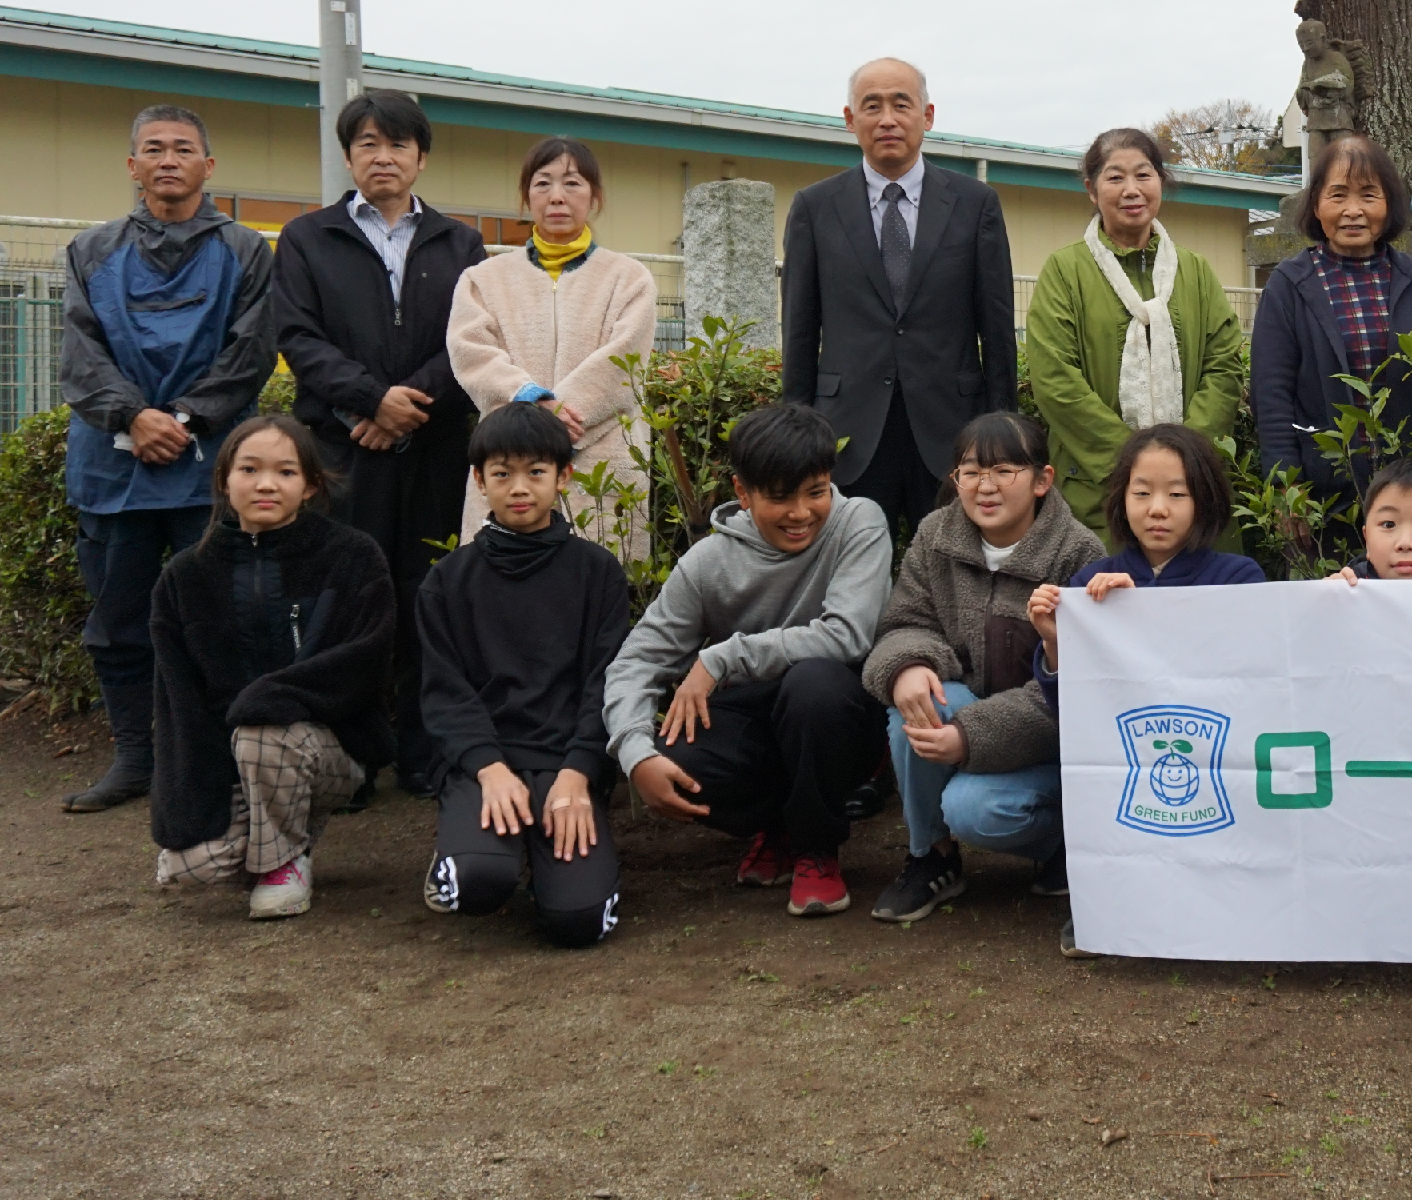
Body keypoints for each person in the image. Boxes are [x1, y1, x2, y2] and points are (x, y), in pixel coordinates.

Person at [59, 104, 277, 812]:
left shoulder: (245, 251)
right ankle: (134, 758)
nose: (168, 160)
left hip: (208, 466)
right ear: (132, 166)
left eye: (183, 149)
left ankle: (220, 758)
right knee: (118, 623)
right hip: (112, 470)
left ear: (208, 167)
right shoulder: (89, 252)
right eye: (153, 149)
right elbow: (81, 355)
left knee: (221, 619)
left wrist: (181, 419)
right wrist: (133, 416)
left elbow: (249, 353)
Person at [273, 90, 487, 799]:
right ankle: (354, 757)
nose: (382, 156)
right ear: (347, 156)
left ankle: (427, 752)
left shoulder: (460, 243)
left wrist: (406, 407)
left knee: (431, 598)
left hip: (435, 451)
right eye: (367, 143)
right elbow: (299, 336)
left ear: (421, 157)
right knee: (348, 600)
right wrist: (370, 401)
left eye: (397, 144)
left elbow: (472, 339)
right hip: (344, 449)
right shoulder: (308, 237)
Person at [602, 403, 892, 917]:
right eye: (780, 498)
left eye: (816, 491)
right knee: (678, 759)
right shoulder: (708, 563)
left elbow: (847, 635)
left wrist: (722, 657)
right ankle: (778, 823)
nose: (801, 513)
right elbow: (636, 661)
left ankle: (816, 849)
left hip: (841, 713)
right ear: (742, 492)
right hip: (757, 715)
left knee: (814, 686)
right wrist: (635, 753)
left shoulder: (859, 524)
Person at [1027, 423, 1264, 957]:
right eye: (1142, 493)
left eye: (1177, 494)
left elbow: (1256, 680)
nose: (1158, 508)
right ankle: (1099, 912)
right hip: (1125, 760)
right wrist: (1056, 640)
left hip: (1215, 753)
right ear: (1120, 499)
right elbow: (1071, 710)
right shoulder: (1095, 579)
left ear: (1205, 501)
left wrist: (1148, 616)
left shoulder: (1240, 578)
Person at [862, 412, 1102, 925]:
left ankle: (1064, 843)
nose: (984, 487)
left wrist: (970, 736)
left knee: (978, 812)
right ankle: (931, 856)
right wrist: (907, 664)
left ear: (1042, 480)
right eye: (970, 473)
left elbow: (1072, 689)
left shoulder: (1078, 553)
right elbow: (903, 622)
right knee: (917, 704)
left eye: (1004, 471)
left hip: (1047, 747)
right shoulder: (935, 536)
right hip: (961, 714)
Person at [149, 416, 391, 920]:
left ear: (310, 486)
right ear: (224, 481)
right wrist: (187, 806)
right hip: (233, 759)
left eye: (285, 472)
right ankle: (278, 836)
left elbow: (363, 662)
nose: (265, 484)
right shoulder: (184, 576)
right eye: (249, 469)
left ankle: (283, 864)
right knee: (187, 869)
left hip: (329, 746)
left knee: (262, 731)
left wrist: (272, 698)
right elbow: (180, 703)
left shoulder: (352, 556)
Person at [417, 403, 629, 948]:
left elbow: (606, 683)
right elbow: (446, 693)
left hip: (566, 766)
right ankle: (477, 850)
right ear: (478, 480)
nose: (519, 488)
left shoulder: (597, 573)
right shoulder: (448, 581)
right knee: (475, 886)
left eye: (536, 472)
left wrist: (580, 774)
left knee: (579, 921)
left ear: (564, 476)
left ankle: (552, 861)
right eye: (501, 473)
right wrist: (487, 769)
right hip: (486, 765)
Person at [781, 58, 1016, 534]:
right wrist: (797, 434)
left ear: (926, 116)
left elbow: (996, 328)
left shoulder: (975, 205)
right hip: (848, 433)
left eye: (901, 104)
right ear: (851, 120)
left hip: (954, 432)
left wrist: (1003, 433)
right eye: (872, 106)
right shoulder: (814, 207)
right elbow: (799, 332)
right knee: (852, 574)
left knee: (958, 571)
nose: (887, 118)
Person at [1025, 129, 1247, 540]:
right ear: (1092, 190)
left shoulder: (1195, 270)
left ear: (1160, 181)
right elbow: (1055, 379)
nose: (1132, 190)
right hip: (1095, 486)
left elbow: (1224, 368)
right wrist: (1132, 465)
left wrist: (1186, 460)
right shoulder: (1064, 271)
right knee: (1104, 592)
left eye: (1143, 175)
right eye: (1115, 178)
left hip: (1191, 487)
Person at [448, 137, 656, 556]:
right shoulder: (483, 279)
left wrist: (555, 417)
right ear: (526, 196)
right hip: (512, 461)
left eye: (573, 184)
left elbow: (624, 361)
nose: (557, 197)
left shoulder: (630, 278)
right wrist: (534, 404)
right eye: (542, 184)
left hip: (602, 455)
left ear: (595, 196)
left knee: (598, 586)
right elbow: (471, 353)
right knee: (501, 585)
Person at [1250, 134, 1412, 506]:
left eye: (1368, 195)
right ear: (1316, 206)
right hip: (1323, 491)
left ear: (1388, 205)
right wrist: (1284, 487)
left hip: (1409, 489)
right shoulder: (1290, 284)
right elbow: (1271, 395)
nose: (1353, 210)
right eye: (1338, 195)